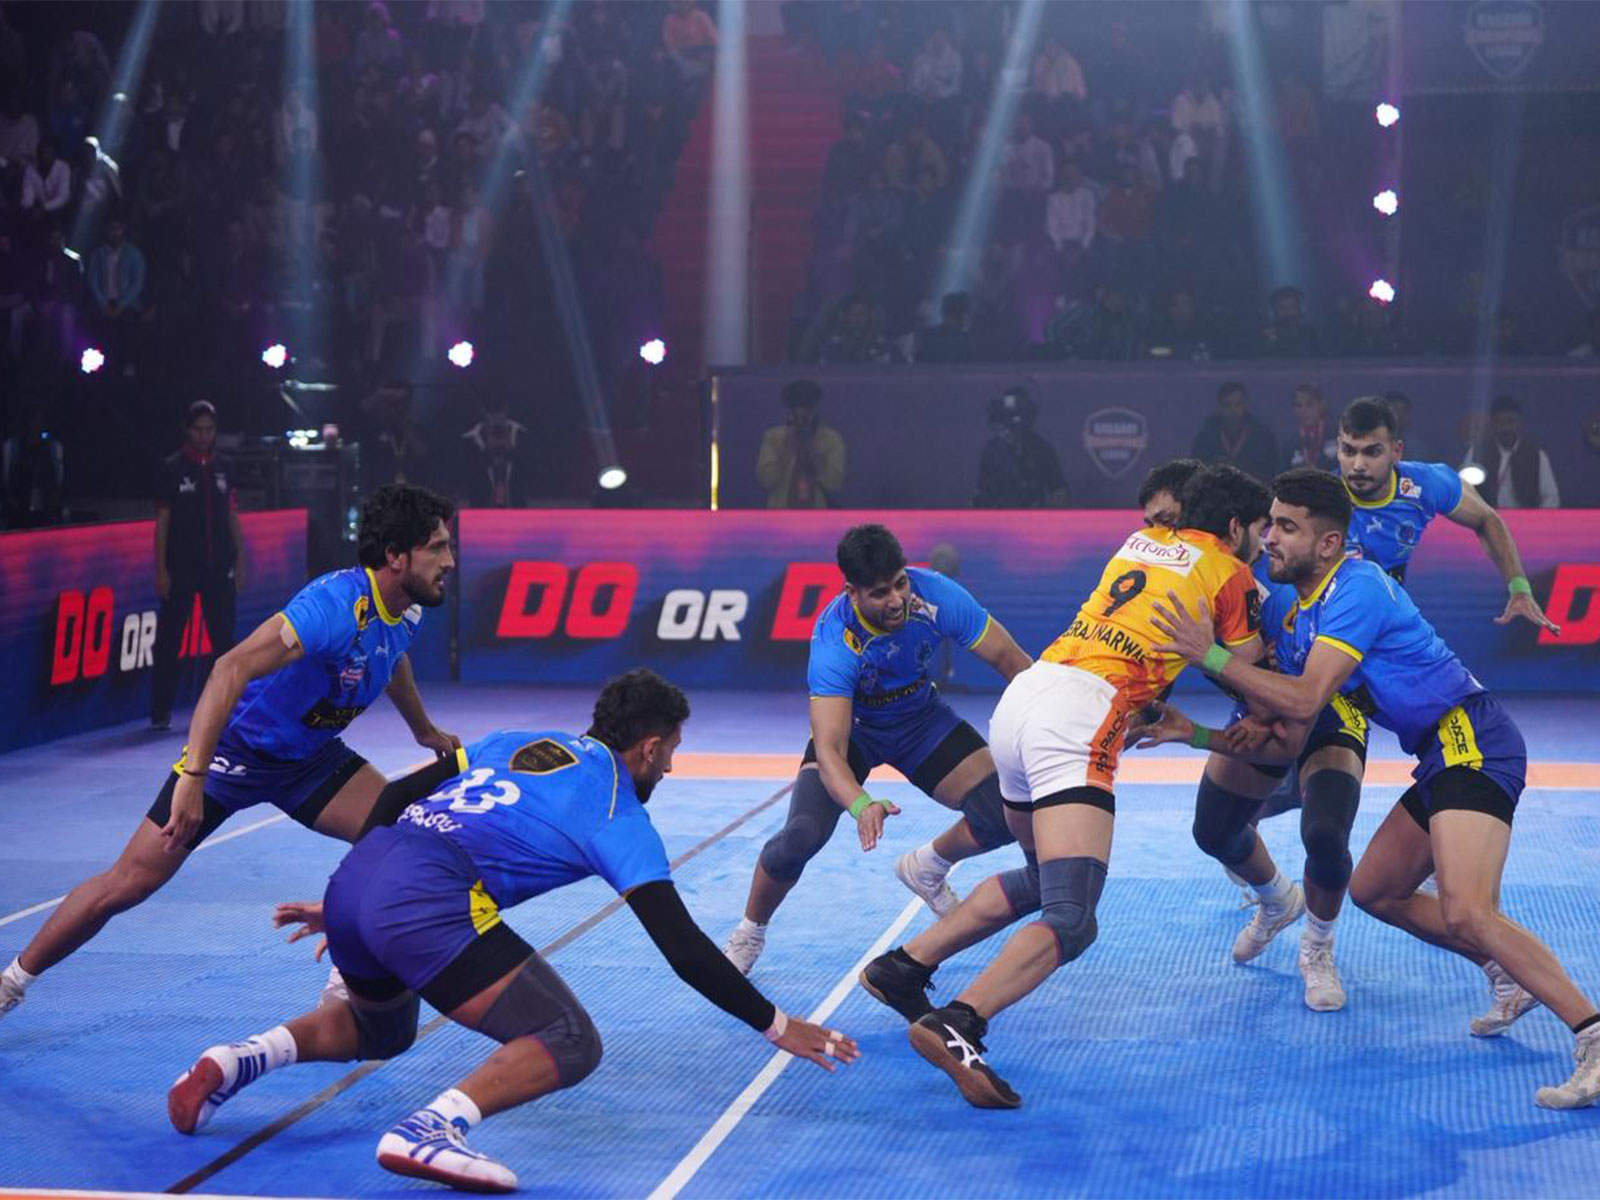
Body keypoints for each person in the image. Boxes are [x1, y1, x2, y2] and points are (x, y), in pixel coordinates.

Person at [168, 671, 858, 1193]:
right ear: (647, 748)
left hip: (363, 875)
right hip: (422, 898)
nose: (672, 766)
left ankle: (235, 1060)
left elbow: (394, 796)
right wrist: (775, 1023)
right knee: (570, 1038)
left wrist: (359, 891)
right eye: (671, 750)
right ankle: (432, 1128)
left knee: (382, 1030)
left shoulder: (520, 739)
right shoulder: (617, 811)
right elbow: (680, 946)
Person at [1147, 468, 1600, 1110]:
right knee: (1376, 891)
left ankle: (1592, 1035)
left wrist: (1210, 658)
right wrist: (1194, 734)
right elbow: (1279, 730)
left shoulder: (1356, 587)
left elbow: (1304, 698)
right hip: (1438, 755)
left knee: (1468, 910)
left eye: (1286, 527)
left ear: (1328, 543)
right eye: (1269, 523)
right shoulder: (1293, 607)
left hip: (1473, 742)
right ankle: (1505, 970)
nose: (1270, 538)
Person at [858, 466, 1270, 1107]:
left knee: (1041, 877)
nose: (1265, 544)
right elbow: (1252, 675)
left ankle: (903, 965)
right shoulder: (1231, 570)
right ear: (1238, 526)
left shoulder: (1137, 545)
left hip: (1027, 696)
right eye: (1264, 532)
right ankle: (960, 1022)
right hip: (1079, 720)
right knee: (1073, 918)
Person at [0, 486, 461, 1024]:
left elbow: (394, 658)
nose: (449, 561)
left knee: (403, 835)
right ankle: (11, 982)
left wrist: (423, 730)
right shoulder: (331, 609)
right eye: (437, 547)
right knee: (129, 883)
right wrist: (194, 775)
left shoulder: (406, 611)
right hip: (233, 757)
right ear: (395, 556)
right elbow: (229, 669)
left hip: (310, 759)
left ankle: (346, 974)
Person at [722, 524, 1031, 975]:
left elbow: (1013, 662)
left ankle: (928, 865)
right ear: (853, 592)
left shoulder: (937, 596)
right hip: (857, 735)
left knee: (1004, 812)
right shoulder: (835, 640)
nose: (897, 600)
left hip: (921, 722)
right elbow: (829, 747)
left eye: (901, 583)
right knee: (800, 837)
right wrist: (860, 803)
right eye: (881, 591)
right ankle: (750, 931)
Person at [1338, 396, 1559, 631]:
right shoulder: (1320, 501)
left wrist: (1519, 589)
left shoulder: (1425, 483)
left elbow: (1487, 518)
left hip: (1395, 626)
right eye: (1349, 451)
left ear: (1396, 451)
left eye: (1372, 452)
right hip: (1337, 623)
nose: (1358, 464)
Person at [150, 401, 245, 731]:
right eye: (198, 429)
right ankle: (160, 711)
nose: (204, 435)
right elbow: (162, 521)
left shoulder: (225, 467)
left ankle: (223, 708)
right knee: (170, 641)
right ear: (187, 430)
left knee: (223, 641)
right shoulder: (172, 468)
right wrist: (161, 568)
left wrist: (241, 558)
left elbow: (232, 514)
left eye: (209, 429)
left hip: (219, 566)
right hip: (181, 568)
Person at [756, 379, 846, 509]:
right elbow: (766, 481)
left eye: (806, 413)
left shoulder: (831, 440)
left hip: (818, 515)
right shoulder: (773, 438)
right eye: (795, 414)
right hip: (779, 515)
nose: (801, 420)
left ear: (815, 410)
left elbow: (835, 483)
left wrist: (813, 453)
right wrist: (785, 451)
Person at [973, 387, 1069, 508]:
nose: (1015, 424)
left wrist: (1056, 501)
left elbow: (1058, 488)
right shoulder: (992, 450)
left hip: (1033, 519)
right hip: (1000, 520)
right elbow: (983, 491)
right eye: (1009, 415)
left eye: (1019, 414)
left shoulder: (1042, 449)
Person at [1465, 395, 1561, 510]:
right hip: (1488, 521)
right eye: (1500, 423)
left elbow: (1551, 497)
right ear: (1492, 424)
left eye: (1510, 422)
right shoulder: (1477, 453)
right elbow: (1465, 492)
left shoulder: (1537, 455)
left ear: (1519, 423)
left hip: (1525, 523)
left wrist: (1537, 522)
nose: (1506, 428)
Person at [1191, 381, 1278, 483]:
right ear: (1219, 407)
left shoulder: (1263, 438)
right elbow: (1197, 473)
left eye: (1238, 404)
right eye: (1227, 405)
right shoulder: (1206, 438)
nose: (1233, 410)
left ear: (1245, 405)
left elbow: (1271, 472)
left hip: (1253, 494)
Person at [1285, 383, 1337, 472]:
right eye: (1299, 406)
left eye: (1309, 404)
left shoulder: (1337, 435)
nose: (1304, 411)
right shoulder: (1290, 443)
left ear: (1321, 405)